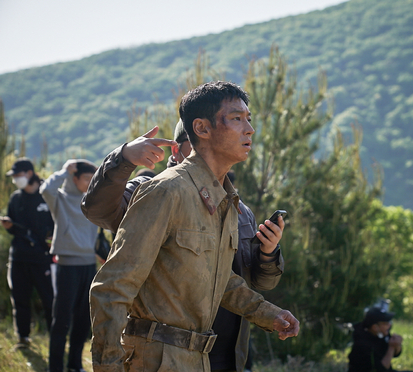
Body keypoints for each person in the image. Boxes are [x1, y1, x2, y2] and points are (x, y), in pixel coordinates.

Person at [89, 81, 299, 372]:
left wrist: (269, 314)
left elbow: (220, 280)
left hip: (198, 359)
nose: (249, 129)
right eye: (237, 118)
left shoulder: (223, 199)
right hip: (156, 360)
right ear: (201, 128)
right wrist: (107, 367)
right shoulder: (166, 190)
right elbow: (112, 287)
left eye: (249, 119)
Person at [40, 159, 99, 372]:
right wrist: (64, 171)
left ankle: (74, 365)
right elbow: (46, 188)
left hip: (88, 265)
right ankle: (55, 367)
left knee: (83, 321)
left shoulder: (91, 201)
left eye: (93, 179)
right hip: (67, 266)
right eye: (86, 178)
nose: (90, 182)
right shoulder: (60, 200)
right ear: (74, 179)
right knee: (61, 320)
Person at [2, 158, 54, 349]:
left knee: (49, 299)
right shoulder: (16, 198)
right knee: (20, 299)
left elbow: (57, 224)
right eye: (14, 176)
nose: (16, 179)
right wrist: (9, 226)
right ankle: (23, 338)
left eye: (18, 175)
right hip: (19, 257)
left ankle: (55, 337)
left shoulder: (47, 195)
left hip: (43, 259)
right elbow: (14, 226)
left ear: (30, 173)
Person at [347, 300, 412, 372]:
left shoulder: (382, 334)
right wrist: (392, 347)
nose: (389, 325)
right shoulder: (363, 344)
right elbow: (381, 369)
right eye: (385, 323)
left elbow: (396, 354)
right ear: (375, 327)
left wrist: (397, 345)